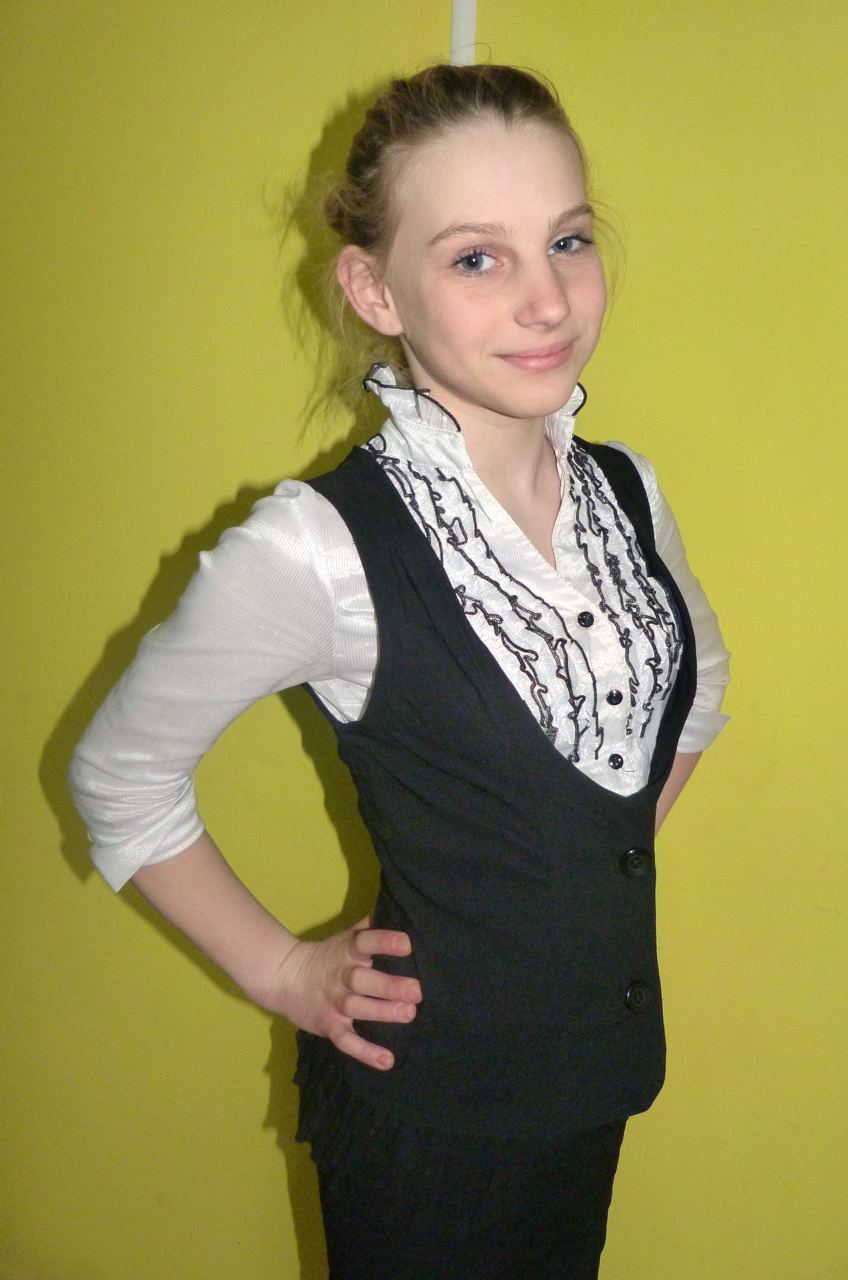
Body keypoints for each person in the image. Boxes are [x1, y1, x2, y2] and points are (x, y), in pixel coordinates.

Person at [69, 64, 730, 1280]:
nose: (545, 298)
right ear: (375, 290)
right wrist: (282, 967)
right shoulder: (314, 549)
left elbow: (699, 682)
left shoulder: (625, 491)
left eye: (567, 240)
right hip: (430, 1130)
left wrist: (595, 855)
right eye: (477, 258)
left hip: (591, 1092)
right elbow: (118, 776)